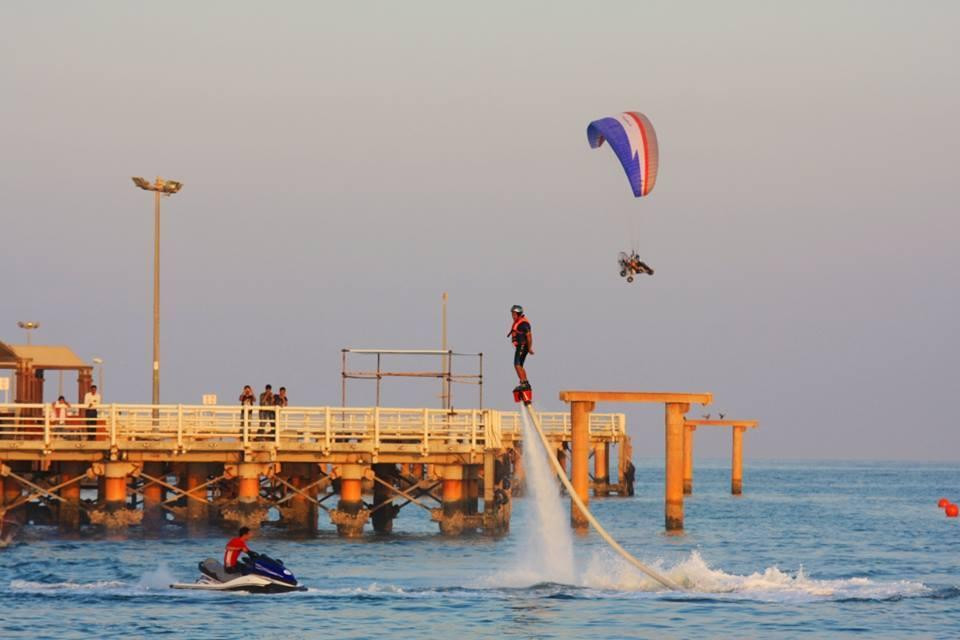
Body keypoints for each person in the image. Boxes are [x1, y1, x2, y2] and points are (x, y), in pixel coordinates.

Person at [507, 305, 533, 392]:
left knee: (517, 365)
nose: (512, 316)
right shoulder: (517, 322)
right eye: (512, 314)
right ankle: (525, 383)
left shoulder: (523, 324)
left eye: (514, 314)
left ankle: (523, 383)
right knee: (520, 365)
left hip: (522, 346)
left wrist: (529, 348)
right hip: (520, 346)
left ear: (518, 314)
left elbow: (529, 336)